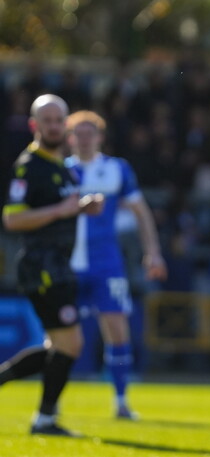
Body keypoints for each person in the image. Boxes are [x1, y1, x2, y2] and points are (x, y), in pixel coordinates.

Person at [0, 94, 104, 436]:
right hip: (41, 266)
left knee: (57, 346)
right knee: (70, 344)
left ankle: (41, 414)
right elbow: (13, 220)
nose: (56, 126)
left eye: (60, 120)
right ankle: (44, 419)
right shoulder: (30, 166)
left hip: (57, 263)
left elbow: (62, 207)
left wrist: (82, 206)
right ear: (35, 125)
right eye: (48, 121)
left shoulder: (60, 165)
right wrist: (60, 211)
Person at [65, 110, 167, 420]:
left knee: (117, 330)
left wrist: (153, 251)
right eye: (78, 134)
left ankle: (121, 400)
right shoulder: (60, 170)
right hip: (66, 263)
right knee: (60, 337)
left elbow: (141, 211)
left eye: (89, 133)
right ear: (70, 138)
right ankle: (51, 404)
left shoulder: (115, 169)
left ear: (100, 137)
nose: (84, 140)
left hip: (106, 263)